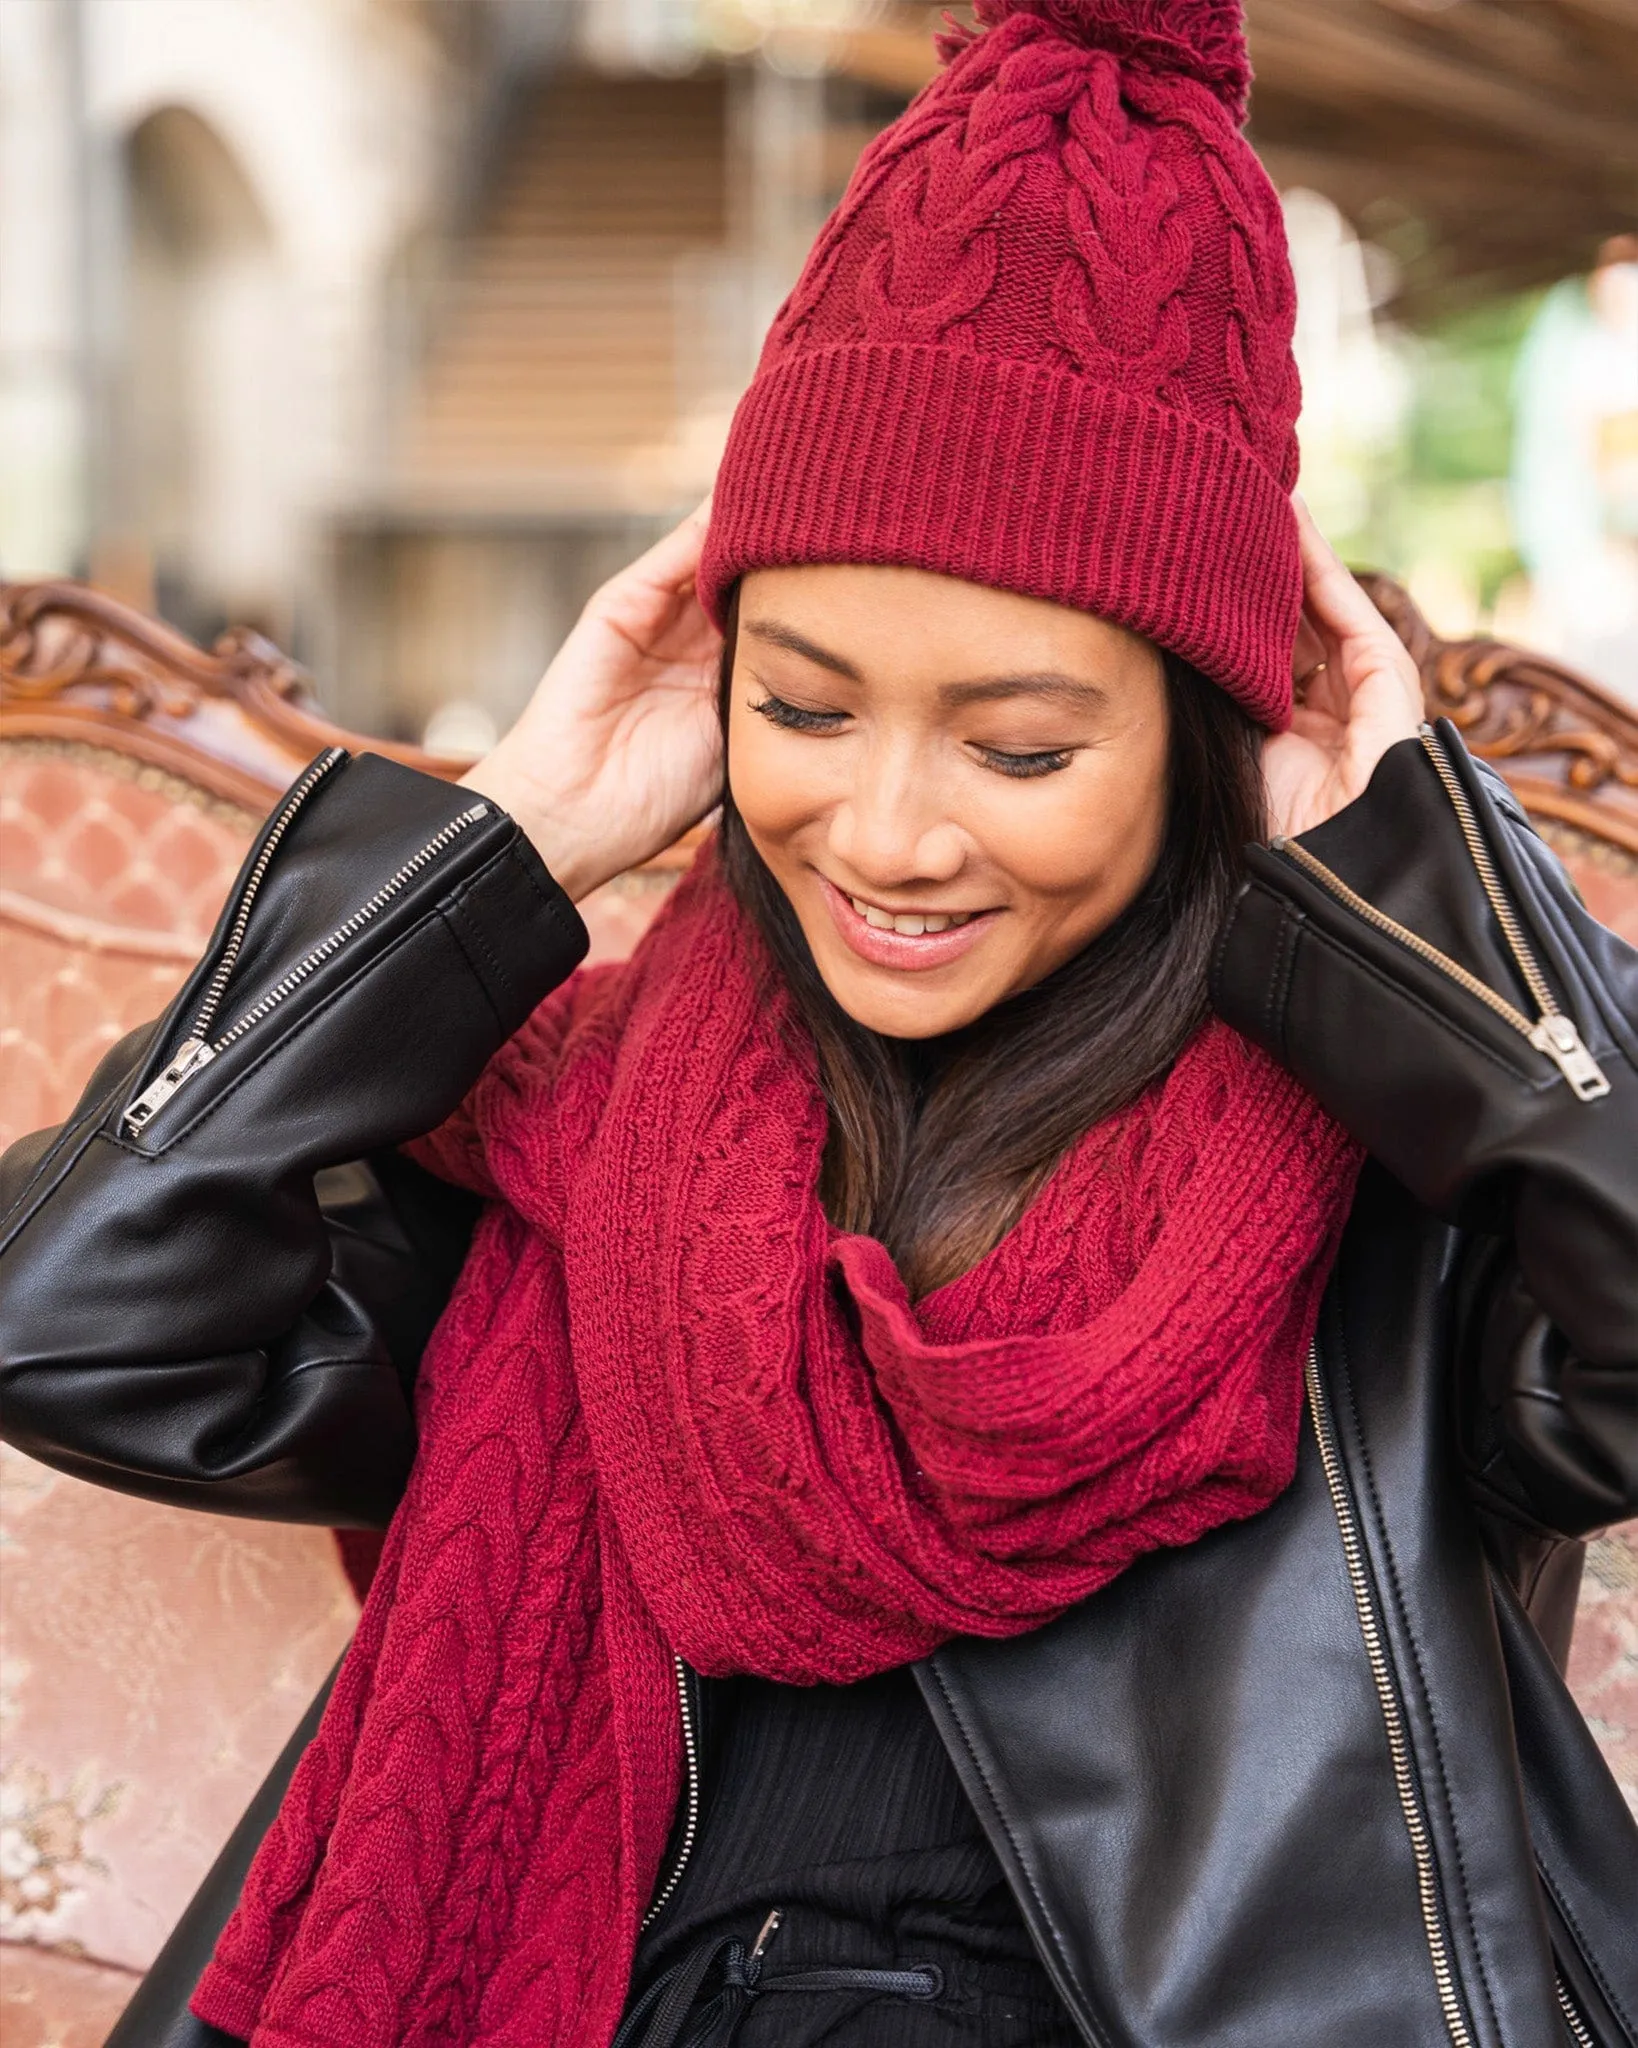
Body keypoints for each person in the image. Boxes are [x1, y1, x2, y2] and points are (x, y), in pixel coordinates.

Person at [2, 3, 1635, 2045]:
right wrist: (506, 844)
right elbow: (66, 1318)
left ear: (1211, 749)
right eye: (801, 707)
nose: (882, 834)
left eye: (1020, 747)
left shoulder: (1397, 1193)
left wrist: (1420, 899)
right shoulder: (568, 1140)